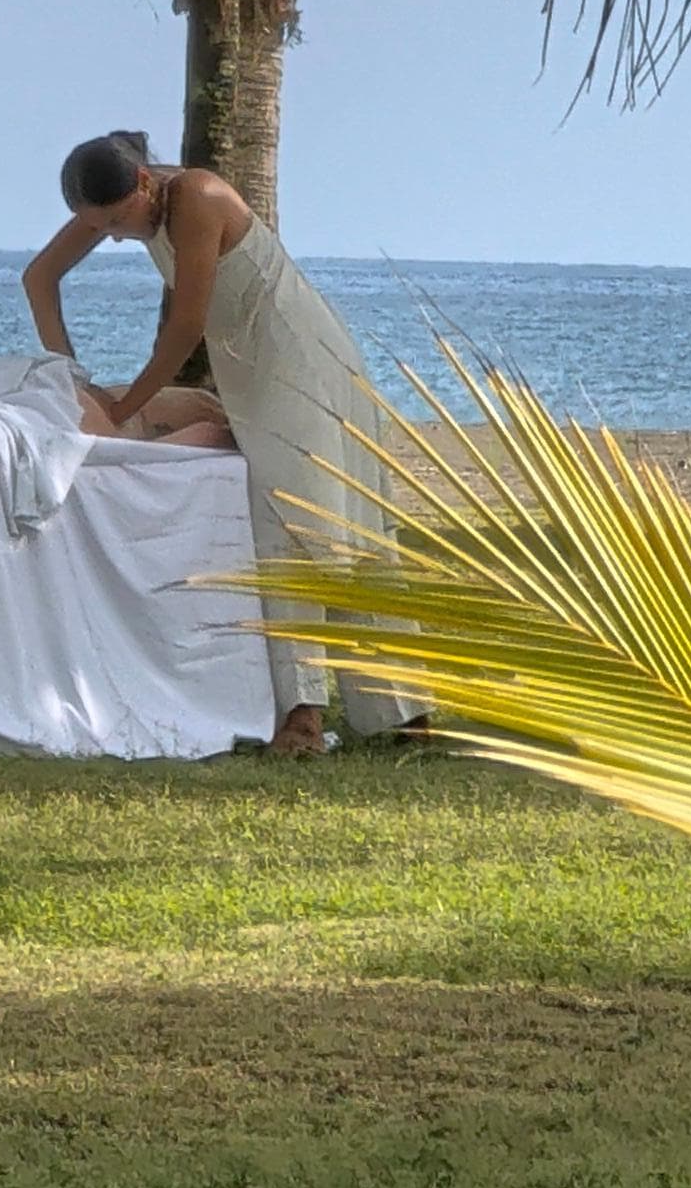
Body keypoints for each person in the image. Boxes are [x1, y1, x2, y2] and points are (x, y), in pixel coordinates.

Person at [22, 130, 419, 755]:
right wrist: (67, 376)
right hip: (249, 370)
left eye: (119, 222)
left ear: (144, 184)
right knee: (296, 522)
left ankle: (354, 714)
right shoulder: (123, 201)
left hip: (298, 359)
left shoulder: (199, 198)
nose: (118, 236)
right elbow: (39, 278)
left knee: (313, 523)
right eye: (102, 227)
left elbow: (185, 329)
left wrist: (123, 407)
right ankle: (313, 712)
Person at [0, 358, 234, 449]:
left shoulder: (202, 398)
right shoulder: (217, 420)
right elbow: (206, 434)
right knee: (8, 415)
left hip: (67, 381)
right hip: (106, 419)